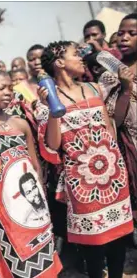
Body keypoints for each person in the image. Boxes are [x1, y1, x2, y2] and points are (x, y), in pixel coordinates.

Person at [37, 40, 133, 278]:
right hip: (82, 182)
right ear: (60, 63)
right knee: (94, 249)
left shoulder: (92, 88)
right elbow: (54, 144)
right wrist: (51, 108)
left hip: (112, 176)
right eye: (74, 54)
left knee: (119, 241)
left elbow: (111, 130)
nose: (81, 57)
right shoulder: (50, 98)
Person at [0, 70, 62, 278]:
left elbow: (35, 167)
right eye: (0, 88)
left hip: (34, 208)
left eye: (9, 88)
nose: (7, 92)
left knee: (46, 262)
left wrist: (40, 200)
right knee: (18, 268)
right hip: (3, 213)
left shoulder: (20, 124)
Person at [99, 13, 137, 240]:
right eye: (121, 33)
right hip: (131, 147)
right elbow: (115, 121)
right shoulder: (110, 75)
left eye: (132, 33)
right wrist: (125, 88)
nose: (124, 38)